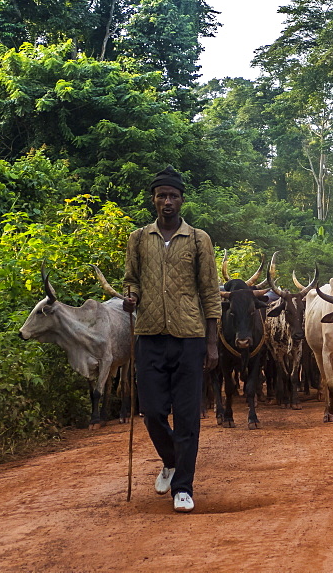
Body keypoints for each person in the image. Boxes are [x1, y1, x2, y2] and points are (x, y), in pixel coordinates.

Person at [122, 166, 220, 513]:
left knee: (188, 415)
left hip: (189, 337)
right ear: (153, 200)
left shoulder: (198, 239)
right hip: (149, 334)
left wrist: (211, 342)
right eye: (161, 195)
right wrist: (130, 296)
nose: (167, 201)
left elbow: (209, 291)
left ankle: (184, 487)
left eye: (173, 196)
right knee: (151, 411)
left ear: (181, 200)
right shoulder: (138, 238)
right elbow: (131, 279)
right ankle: (170, 459)